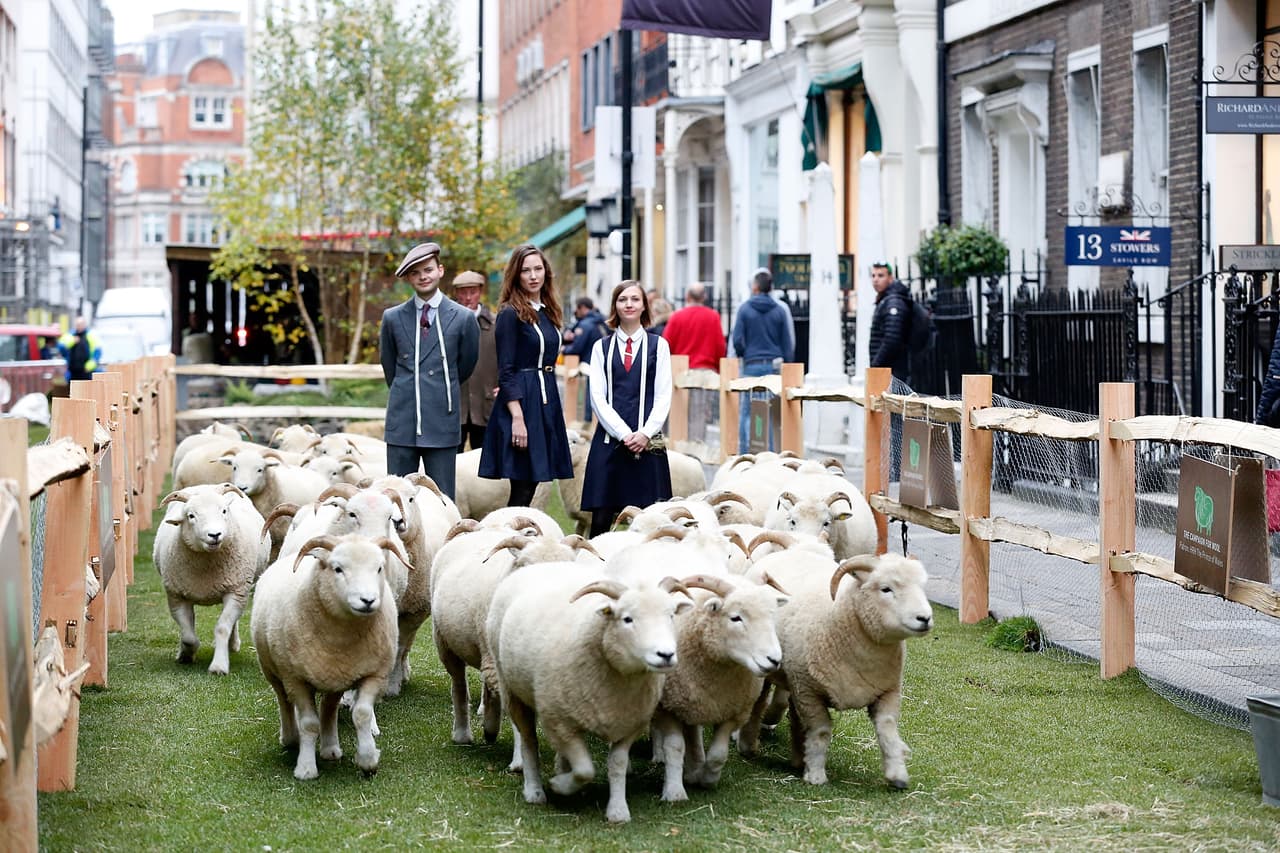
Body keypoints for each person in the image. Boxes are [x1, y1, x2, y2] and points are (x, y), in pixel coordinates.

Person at [379, 242, 480, 499]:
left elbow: (465, 365)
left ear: (440, 271)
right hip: (403, 421)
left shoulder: (463, 318)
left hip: (442, 420)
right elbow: (390, 368)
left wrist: (439, 389)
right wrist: (409, 390)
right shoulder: (392, 318)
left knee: (442, 499)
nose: (423, 277)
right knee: (397, 499)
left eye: (428, 270)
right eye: (415, 273)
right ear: (409, 278)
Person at [478, 244, 574, 506]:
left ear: (546, 272)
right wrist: (517, 418)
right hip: (522, 401)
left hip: (546, 397)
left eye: (538, 269)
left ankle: (515, 535)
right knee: (522, 484)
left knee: (533, 482)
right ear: (516, 275)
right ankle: (507, 536)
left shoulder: (549, 311)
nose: (533, 276)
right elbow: (506, 370)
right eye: (526, 270)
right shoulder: (510, 313)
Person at [581, 281, 673, 537]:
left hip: (649, 440)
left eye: (635, 299)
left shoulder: (659, 346)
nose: (629, 304)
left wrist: (645, 433)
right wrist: (624, 434)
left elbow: (664, 395)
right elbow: (597, 397)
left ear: (644, 305)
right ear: (615, 305)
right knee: (600, 518)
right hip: (610, 439)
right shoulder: (601, 347)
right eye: (623, 299)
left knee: (652, 520)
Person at [730, 268, 794, 450]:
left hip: (751, 364)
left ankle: (745, 452)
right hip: (773, 366)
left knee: (748, 411)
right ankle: (769, 454)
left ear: (756, 287)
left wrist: (745, 353)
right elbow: (787, 344)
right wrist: (787, 366)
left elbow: (737, 340)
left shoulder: (744, 309)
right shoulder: (779, 310)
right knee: (770, 411)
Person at [452, 270, 497, 452]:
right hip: (456, 404)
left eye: (473, 291)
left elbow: (506, 360)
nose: (468, 297)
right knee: (451, 461)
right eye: (463, 292)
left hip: (486, 403)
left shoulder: (495, 324)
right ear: (456, 294)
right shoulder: (446, 323)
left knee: (484, 461)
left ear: (481, 292)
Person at [662, 282, 726, 371]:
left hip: (681, 370)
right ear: (704, 297)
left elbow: (666, 345)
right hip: (707, 369)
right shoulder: (713, 316)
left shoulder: (676, 317)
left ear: (687, 296)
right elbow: (720, 347)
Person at [868, 262, 912, 381]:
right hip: (889, 371)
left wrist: (876, 366)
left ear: (890, 278)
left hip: (893, 372)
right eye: (873, 276)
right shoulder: (886, 300)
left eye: (880, 275)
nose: (876, 279)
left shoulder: (894, 302)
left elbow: (892, 340)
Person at [561, 297, 606, 363]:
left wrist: (564, 349)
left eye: (577, 308)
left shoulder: (584, 324)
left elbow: (576, 348)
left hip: (588, 364)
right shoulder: (602, 320)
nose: (576, 311)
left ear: (583, 307)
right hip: (602, 362)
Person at [57, 316, 102, 381]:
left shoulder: (91, 335)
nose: (79, 326)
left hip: (86, 372)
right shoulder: (70, 335)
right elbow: (61, 347)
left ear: (84, 325)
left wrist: (89, 367)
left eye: (81, 324)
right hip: (72, 372)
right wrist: (72, 341)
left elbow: (97, 353)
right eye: (77, 324)